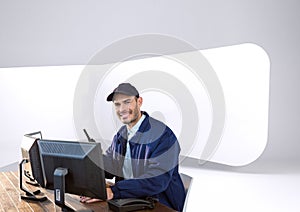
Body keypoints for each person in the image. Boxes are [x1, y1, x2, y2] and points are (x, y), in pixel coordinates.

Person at [81, 83, 186, 211]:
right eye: (117, 104)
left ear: (139, 101)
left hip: (158, 205)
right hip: (128, 200)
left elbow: (156, 180)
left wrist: (114, 191)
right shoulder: (121, 134)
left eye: (127, 102)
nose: (122, 109)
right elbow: (111, 165)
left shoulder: (163, 135)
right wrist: (89, 162)